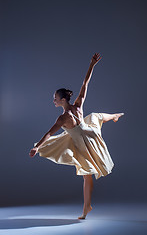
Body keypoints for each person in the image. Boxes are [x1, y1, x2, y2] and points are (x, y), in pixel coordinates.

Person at [29, 53, 124, 219]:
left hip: (83, 144)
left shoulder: (62, 118)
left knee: (87, 174)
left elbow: (49, 133)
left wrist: (37, 146)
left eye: (55, 99)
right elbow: (85, 83)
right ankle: (87, 207)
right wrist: (92, 64)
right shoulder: (78, 105)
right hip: (90, 134)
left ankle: (87, 206)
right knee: (96, 116)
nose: (53, 101)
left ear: (62, 100)